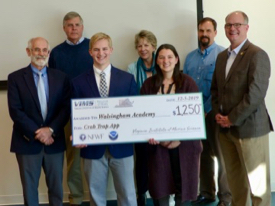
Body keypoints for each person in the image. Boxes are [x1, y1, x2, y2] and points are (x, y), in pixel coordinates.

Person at [211, 11, 273, 206]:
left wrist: (231, 118)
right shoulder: (222, 57)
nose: (232, 28)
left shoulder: (257, 54)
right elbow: (215, 90)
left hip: (251, 130)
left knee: (258, 190)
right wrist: (219, 115)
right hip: (226, 132)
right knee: (237, 187)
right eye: (229, 25)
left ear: (246, 27)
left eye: (237, 24)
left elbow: (255, 94)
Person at [71, 32, 137, 206]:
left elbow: (136, 112)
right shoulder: (77, 82)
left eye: (105, 49)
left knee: (128, 196)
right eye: (96, 49)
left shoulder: (127, 79)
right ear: (90, 52)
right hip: (92, 148)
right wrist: (76, 133)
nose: (101, 53)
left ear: (111, 50)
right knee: (96, 198)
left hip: (122, 147)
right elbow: (75, 114)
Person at [7, 37, 70, 206]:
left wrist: (50, 130)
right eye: (36, 49)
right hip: (27, 142)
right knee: (29, 190)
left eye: (44, 50)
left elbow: (65, 108)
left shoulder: (61, 77)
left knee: (57, 189)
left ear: (48, 53)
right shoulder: (15, 78)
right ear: (29, 52)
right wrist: (38, 133)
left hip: (54, 141)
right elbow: (15, 111)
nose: (40, 53)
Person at [140, 44, 202, 206]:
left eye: (169, 57)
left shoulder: (188, 83)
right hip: (157, 147)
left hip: (185, 146)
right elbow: (142, 116)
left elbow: (195, 116)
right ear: (156, 61)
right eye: (161, 57)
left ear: (176, 59)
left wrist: (179, 139)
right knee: (160, 189)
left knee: (183, 188)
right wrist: (152, 136)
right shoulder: (148, 85)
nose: (165, 61)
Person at [183, 17, 231, 206]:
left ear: (215, 32)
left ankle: (225, 198)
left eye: (208, 31)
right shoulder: (190, 57)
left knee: (221, 155)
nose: (204, 34)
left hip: (216, 113)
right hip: (194, 115)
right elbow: (185, 86)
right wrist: (195, 110)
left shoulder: (222, 54)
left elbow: (222, 87)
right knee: (201, 154)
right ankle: (207, 193)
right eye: (201, 30)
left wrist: (207, 109)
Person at [48, 11, 93, 206]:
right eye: (69, 25)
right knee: (73, 158)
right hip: (67, 111)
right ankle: (75, 198)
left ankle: (95, 197)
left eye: (77, 24)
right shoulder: (56, 52)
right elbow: (53, 83)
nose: (73, 28)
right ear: (64, 28)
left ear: (82, 27)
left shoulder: (93, 47)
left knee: (95, 157)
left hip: (93, 111)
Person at [127, 30, 157, 206]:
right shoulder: (131, 68)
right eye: (139, 45)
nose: (143, 48)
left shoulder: (162, 64)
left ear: (153, 46)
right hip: (139, 120)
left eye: (146, 45)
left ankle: (160, 193)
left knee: (159, 158)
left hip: (160, 119)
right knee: (142, 159)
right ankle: (141, 194)